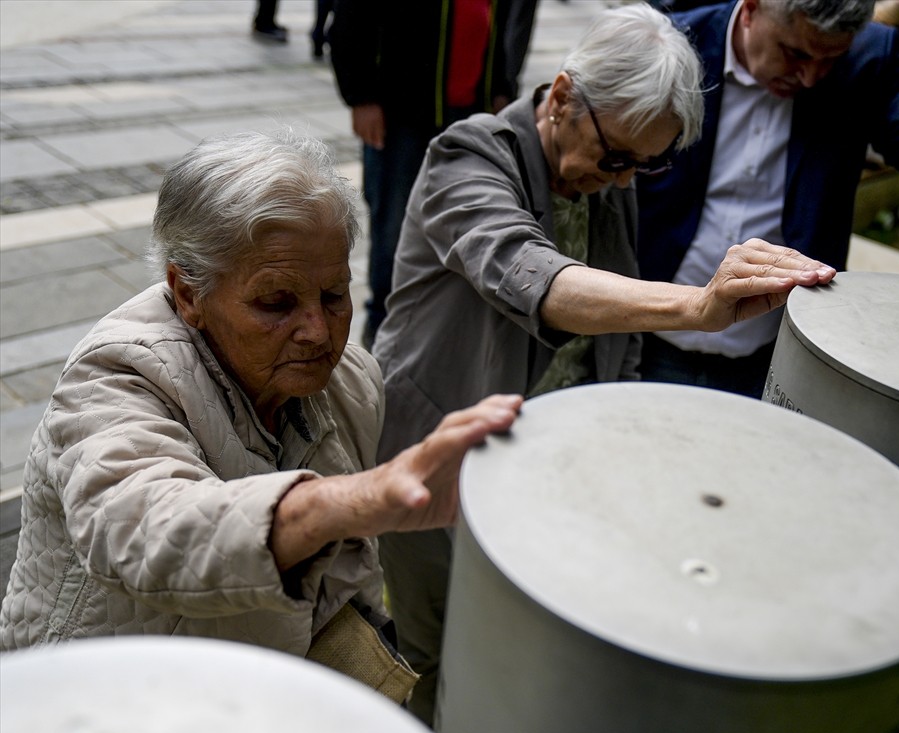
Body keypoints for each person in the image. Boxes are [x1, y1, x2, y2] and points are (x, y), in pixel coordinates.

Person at [370, 3, 836, 725]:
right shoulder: (468, 155)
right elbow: (531, 274)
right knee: (432, 648)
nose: (624, 181)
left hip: (544, 460)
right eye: (618, 157)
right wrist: (694, 307)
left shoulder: (603, 174)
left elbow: (609, 322)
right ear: (561, 98)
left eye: (645, 165)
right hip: (441, 454)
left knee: (507, 644)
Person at [0, 130, 523, 696]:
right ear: (187, 292)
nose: (318, 333)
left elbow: (346, 585)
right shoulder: (113, 375)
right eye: (275, 303)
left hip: (237, 696)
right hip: (90, 705)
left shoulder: (352, 382)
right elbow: (149, 529)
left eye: (334, 295)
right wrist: (358, 501)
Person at [636, 0, 899, 397]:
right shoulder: (674, 41)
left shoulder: (866, 55)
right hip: (645, 330)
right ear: (751, 10)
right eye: (796, 54)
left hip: (779, 347)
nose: (810, 76)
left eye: (830, 60)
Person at [330, 0, 532, 349]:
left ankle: (439, 329)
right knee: (394, 227)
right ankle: (384, 331)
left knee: (467, 224)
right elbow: (352, 17)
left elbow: (496, 24)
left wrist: (501, 88)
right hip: (404, 113)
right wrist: (360, 95)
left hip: (470, 112)